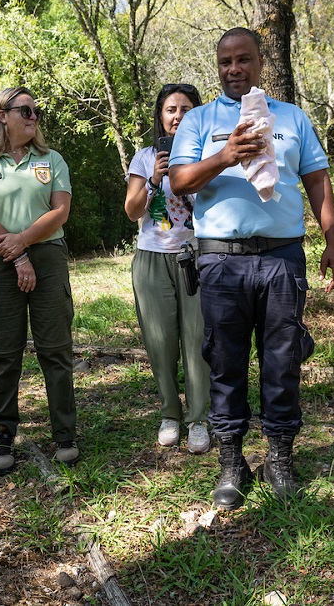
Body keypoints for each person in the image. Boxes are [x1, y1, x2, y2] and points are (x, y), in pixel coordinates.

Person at [169, 27, 334, 509]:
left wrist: (333, 242)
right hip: (221, 261)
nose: (234, 69)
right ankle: (232, 463)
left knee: (283, 360)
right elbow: (179, 181)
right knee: (224, 361)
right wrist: (226, 155)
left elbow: (318, 182)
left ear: (260, 62)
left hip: (282, 258)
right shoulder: (201, 119)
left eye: (243, 59)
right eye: (225, 61)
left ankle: (280, 458)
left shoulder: (291, 117)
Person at [0, 86, 78, 474]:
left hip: (46, 257)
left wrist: (24, 245)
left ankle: (65, 434)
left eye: (36, 112)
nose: (33, 117)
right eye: (25, 110)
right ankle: (2, 434)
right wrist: (16, 255)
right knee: (4, 351)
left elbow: (60, 211)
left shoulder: (52, 159)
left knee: (55, 348)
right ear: (3, 114)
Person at [124, 83, 211, 454]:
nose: (178, 116)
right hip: (153, 257)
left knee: (197, 339)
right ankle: (170, 413)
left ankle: (199, 419)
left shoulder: (208, 154)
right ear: (160, 116)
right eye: (171, 109)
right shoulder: (145, 157)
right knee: (160, 343)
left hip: (198, 256)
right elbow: (131, 211)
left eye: (186, 109)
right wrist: (155, 179)